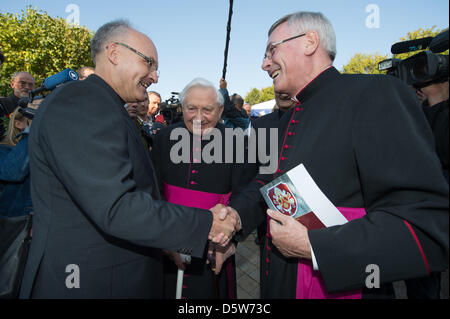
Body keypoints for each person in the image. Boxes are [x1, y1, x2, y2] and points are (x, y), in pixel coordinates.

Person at [218, 11, 449, 299]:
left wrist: (315, 247)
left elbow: (427, 226)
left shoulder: (375, 94)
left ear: (310, 41)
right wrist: (235, 219)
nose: (264, 63)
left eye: (271, 50)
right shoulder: (287, 117)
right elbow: (266, 181)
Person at [19, 20, 239, 299]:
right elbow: (117, 207)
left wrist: (166, 241)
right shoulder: (81, 104)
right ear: (114, 53)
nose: (155, 76)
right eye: (149, 63)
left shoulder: (105, 105)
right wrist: (207, 224)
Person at [151, 77, 250, 299]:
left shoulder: (236, 143)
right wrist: (162, 238)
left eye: (207, 110)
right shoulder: (165, 137)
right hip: (168, 238)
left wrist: (229, 240)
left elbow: (244, 194)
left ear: (221, 109)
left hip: (214, 244)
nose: (198, 118)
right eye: (191, 108)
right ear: (182, 108)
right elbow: (153, 190)